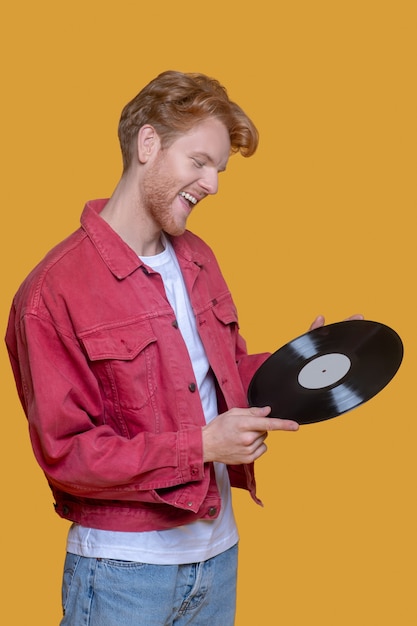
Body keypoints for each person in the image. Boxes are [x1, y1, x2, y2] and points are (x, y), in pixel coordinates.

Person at [5, 70, 360, 626]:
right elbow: (67, 454)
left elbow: (224, 374)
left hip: (217, 558)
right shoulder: (52, 292)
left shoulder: (197, 257)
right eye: (199, 162)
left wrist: (305, 360)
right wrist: (199, 446)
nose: (213, 183)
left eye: (219, 169)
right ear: (148, 144)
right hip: (125, 572)